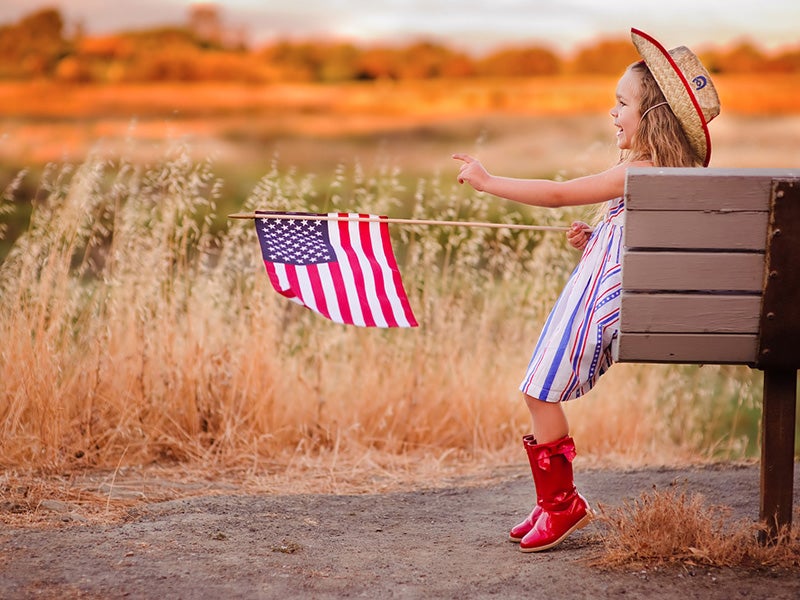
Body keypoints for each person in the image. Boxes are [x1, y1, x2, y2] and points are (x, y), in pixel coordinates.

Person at [453, 28, 720, 553]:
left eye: (622, 103)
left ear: (652, 117)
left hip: (598, 308)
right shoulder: (658, 175)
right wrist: (597, 238)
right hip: (604, 296)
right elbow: (644, 248)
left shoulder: (639, 171)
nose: (612, 112)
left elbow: (557, 193)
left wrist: (489, 181)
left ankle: (564, 505)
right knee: (537, 389)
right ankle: (553, 500)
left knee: (540, 390)